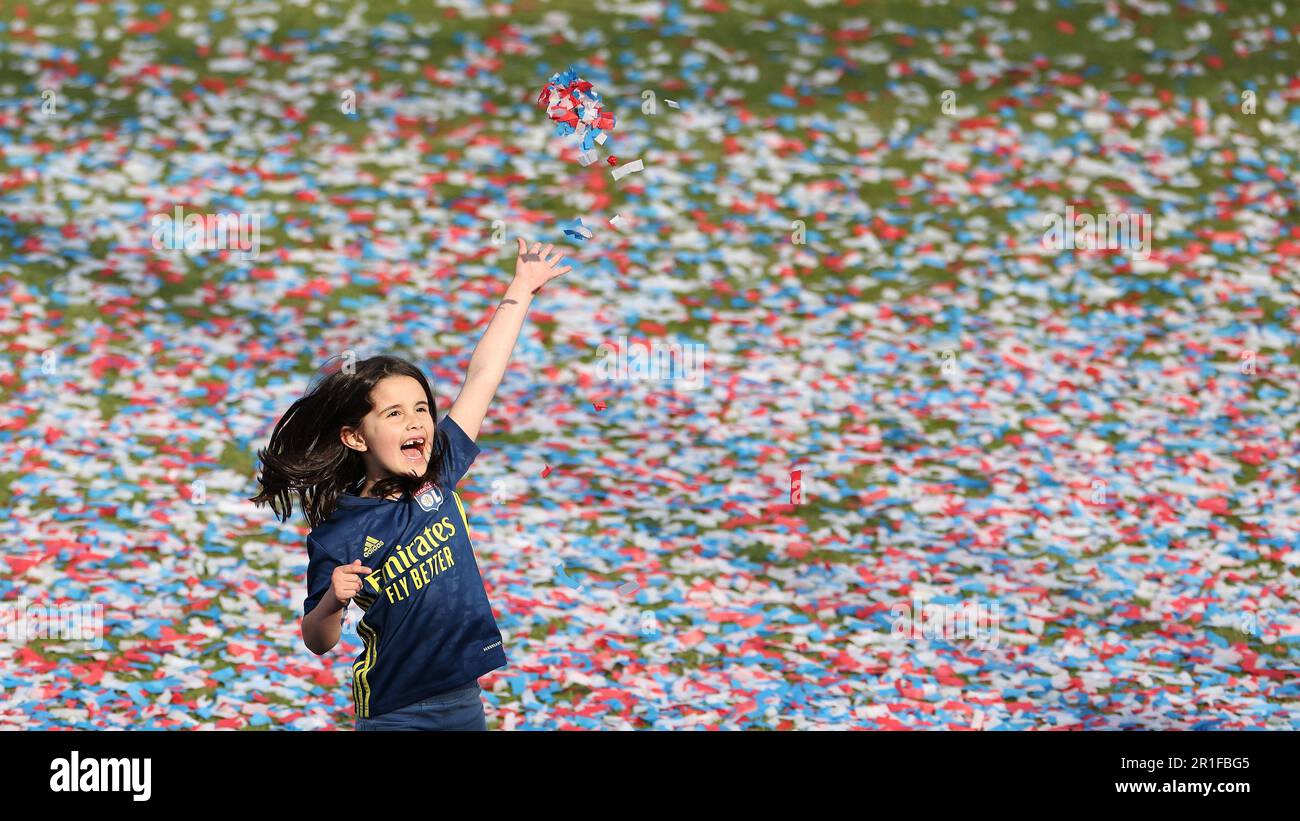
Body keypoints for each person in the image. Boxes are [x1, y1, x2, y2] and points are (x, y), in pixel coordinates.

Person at [250, 238, 571, 730]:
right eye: (395, 414)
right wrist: (334, 598)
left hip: (463, 700)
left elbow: (483, 376)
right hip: (395, 711)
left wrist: (521, 290)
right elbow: (318, 639)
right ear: (356, 436)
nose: (417, 423)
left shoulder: (440, 467)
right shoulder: (341, 532)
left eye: (421, 409)